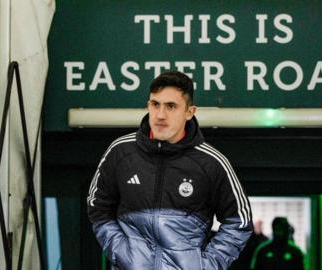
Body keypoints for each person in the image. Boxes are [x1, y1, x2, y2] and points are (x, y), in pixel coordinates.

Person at [87, 71, 252, 269]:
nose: (160, 115)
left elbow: (239, 221)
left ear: (190, 112)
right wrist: (122, 253)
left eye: (171, 106)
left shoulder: (212, 162)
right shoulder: (121, 152)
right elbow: (97, 208)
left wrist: (206, 265)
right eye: (155, 104)